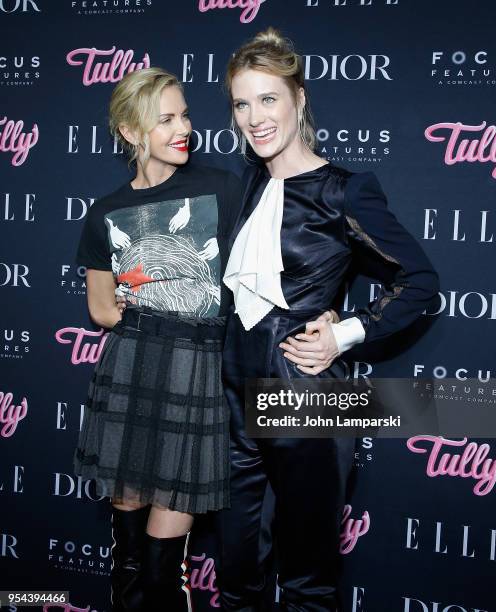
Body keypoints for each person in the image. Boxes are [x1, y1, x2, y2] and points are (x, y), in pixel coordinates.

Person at [216, 28, 440, 612]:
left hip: (306, 393)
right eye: (242, 102)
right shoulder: (248, 182)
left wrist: (345, 332)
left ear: (299, 99)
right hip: (234, 396)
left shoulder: (345, 190)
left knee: (308, 579)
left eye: (269, 99)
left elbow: (418, 281)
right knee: (237, 573)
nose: (255, 116)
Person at [73, 66, 243, 611]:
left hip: (197, 368)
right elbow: (101, 309)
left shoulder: (224, 188)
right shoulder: (105, 212)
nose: (182, 127)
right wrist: (145, 309)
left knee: (161, 565)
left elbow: (267, 272)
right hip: (130, 365)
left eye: (185, 113)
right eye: (165, 118)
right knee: (126, 558)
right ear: (130, 130)